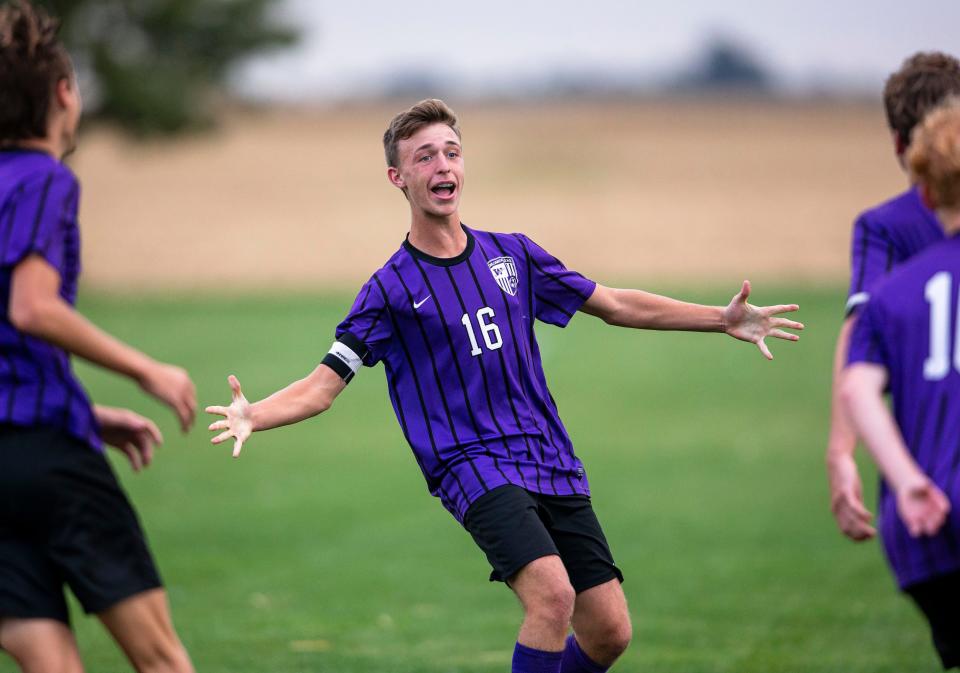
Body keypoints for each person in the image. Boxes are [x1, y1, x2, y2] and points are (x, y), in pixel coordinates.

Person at [207, 98, 803, 673]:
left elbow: (616, 304)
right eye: (424, 157)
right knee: (552, 597)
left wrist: (719, 319)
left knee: (609, 631)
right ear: (398, 177)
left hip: (547, 455)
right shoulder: (389, 290)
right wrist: (255, 414)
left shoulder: (513, 255)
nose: (443, 166)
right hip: (470, 463)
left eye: (452, 152)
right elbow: (322, 386)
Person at [0, 2, 197, 672]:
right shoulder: (45, 179)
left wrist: (85, 410)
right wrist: (147, 369)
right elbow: (31, 308)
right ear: (62, 93)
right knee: (163, 659)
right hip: (48, 456)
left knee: (50, 663)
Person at [842, 98, 960, 670]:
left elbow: (857, 390)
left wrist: (908, 482)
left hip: (926, 525)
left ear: (928, 192)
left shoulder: (892, 294)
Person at [827, 52, 960, 542]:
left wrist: (841, 451)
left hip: (930, 475)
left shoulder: (885, 226)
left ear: (900, 143)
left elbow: (856, 334)